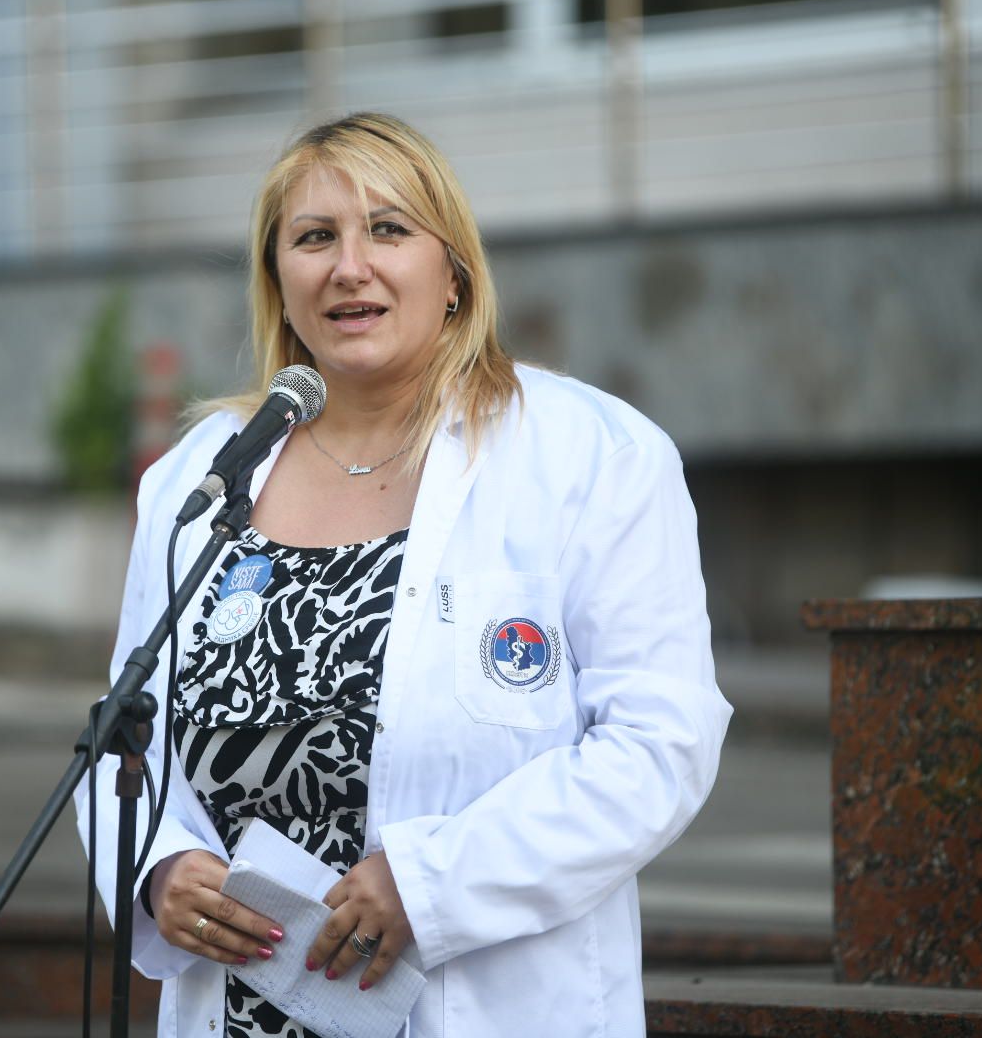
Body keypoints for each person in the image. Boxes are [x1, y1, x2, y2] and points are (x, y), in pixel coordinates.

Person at [75, 112, 731, 1038]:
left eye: (388, 229)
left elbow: (660, 744)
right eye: (313, 238)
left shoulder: (594, 455)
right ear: (277, 281)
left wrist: (431, 886)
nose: (351, 266)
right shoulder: (203, 474)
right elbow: (122, 744)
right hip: (243, 1011)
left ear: (452, 270)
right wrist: (159, 869)